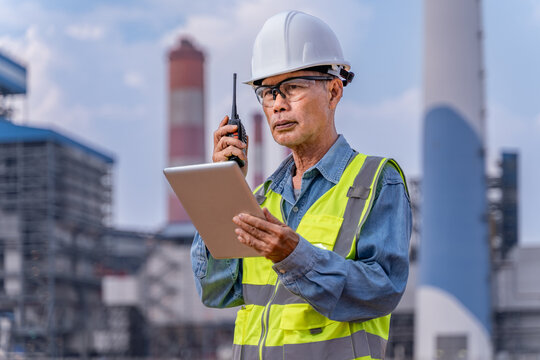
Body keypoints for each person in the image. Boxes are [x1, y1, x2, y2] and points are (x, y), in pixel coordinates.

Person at [191, 10, 412, 360]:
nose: (278, 104)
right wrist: (223, 189)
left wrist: (295, 257)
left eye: (292, 87)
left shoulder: (375, 181)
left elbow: (383, 291)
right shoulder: (260, 198)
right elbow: (216, 292)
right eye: (267, 92)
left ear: (334, 91)